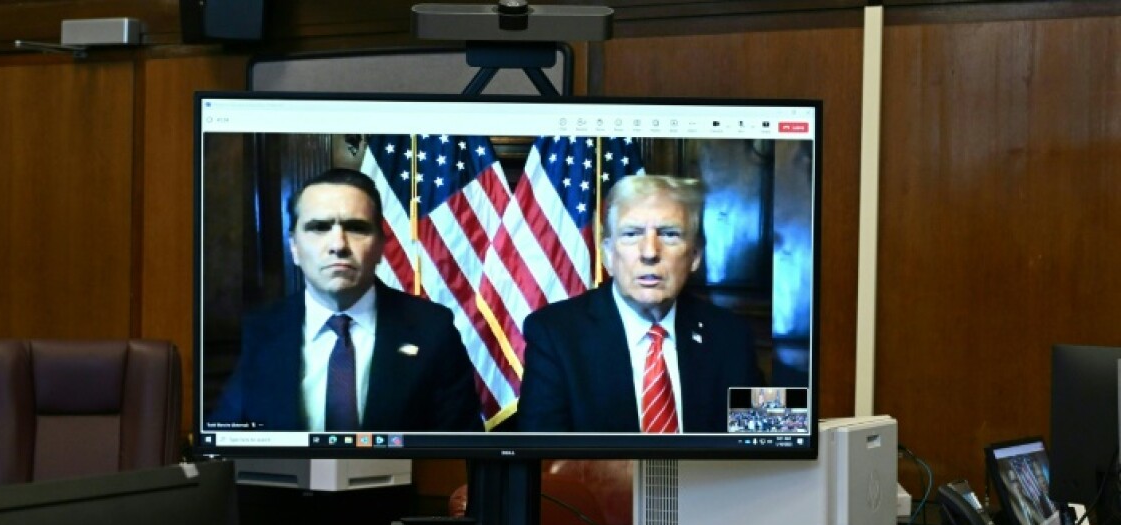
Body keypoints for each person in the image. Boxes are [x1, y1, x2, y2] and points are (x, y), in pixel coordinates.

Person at [209, 168, 483, 432]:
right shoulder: (259, 332)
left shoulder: (433, 330)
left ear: (380, 247)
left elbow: (461, 452)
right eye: (319, 227)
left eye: (356, 228)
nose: (338, 245)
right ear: (294, 247)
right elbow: (226, 443)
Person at [517, 174, 762, 433]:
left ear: (695, 255)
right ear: (608, 254)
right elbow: (542, 459)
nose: (649, 253)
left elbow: (762, 442)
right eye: (632, 234)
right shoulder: (555, 334)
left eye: (669, 234)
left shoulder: (731, 335)